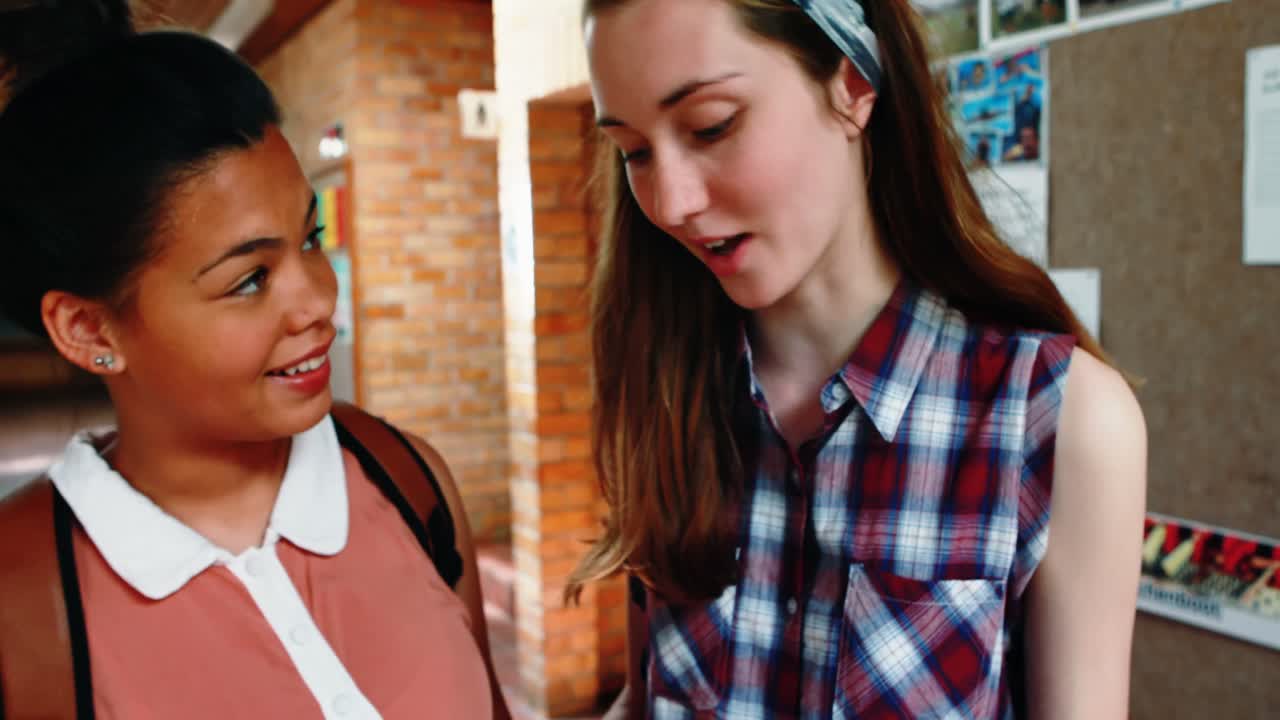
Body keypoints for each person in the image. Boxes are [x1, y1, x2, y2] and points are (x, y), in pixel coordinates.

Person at [566, 0, 1147, 718]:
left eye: (712, 125)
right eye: (635, 152)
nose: (672, 202)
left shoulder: (1060, 418)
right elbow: (650, 693)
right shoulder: (664, 388)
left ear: (852, 86)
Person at [0, 3, 509, 718]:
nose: (318, 303)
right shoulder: (23, 606)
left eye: (310, 238)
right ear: (88, 329)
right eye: (249, 280)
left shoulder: (404, 477)